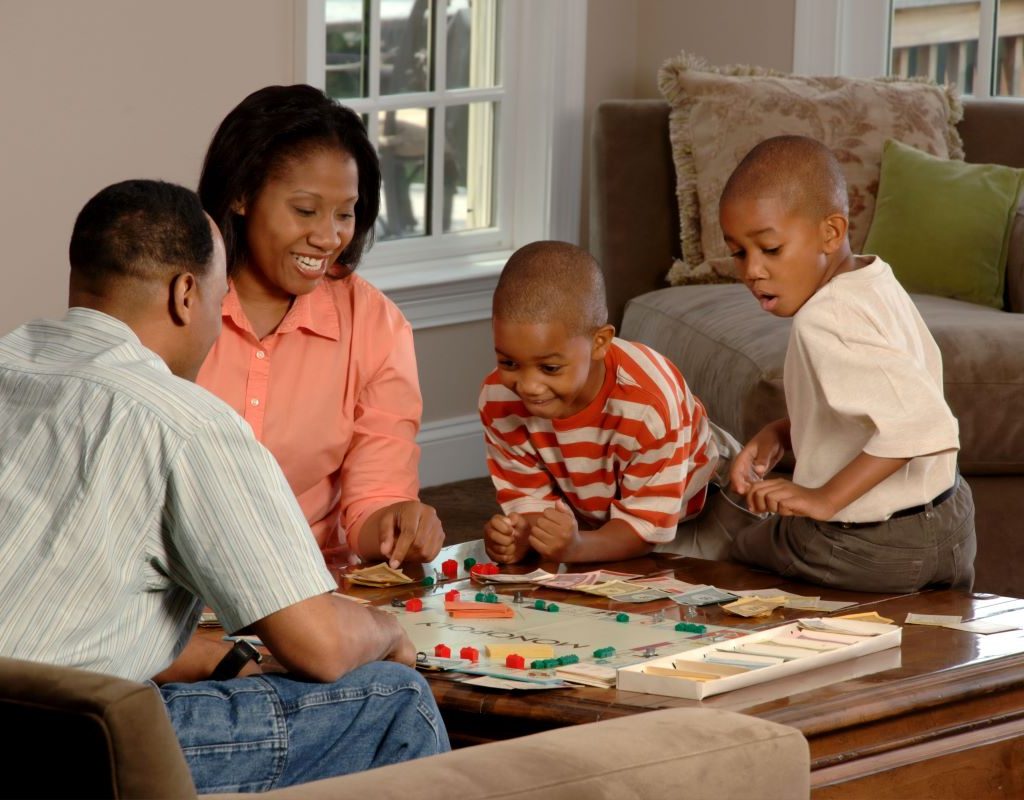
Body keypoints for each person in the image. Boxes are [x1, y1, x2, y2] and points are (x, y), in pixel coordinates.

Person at [0, 180, 449, 793]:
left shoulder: (11, 369)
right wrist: (389, 630)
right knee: (394, 699)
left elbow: (68, 618)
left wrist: (226, 658)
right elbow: (317, 645)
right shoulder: (185, 421)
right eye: (219, 300)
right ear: (187, 294)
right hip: (62, 749)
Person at [196, 84, 443, 568]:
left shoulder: (375, 324)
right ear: (242, 194)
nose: (329, 236)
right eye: (305, 210)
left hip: (308, 583)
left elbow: (375, 496)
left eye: (345, 213)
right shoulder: (177, 303)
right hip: (180, 586)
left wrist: (396, 524)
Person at [721, 135, 976, 593]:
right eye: (739, 252)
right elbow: (890, 399)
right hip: (951, 522)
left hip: (874, 544)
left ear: (831, 233)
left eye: (770, 249)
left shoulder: (824, 317)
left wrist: (822, 499)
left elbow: (922, 425)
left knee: (739, 547)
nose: (751, 271)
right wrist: (783, 431)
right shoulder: (874, 278)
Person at [478, 240, 735, 564]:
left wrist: (577, 548)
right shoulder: (499, 400)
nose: (528, 386)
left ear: (599, 343)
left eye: (550, 368)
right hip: (600, 507)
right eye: (509, 363)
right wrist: (521, 536)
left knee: (699, 575)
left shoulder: (648, 404)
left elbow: (643, 528)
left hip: (704, 498)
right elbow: (532, 507)